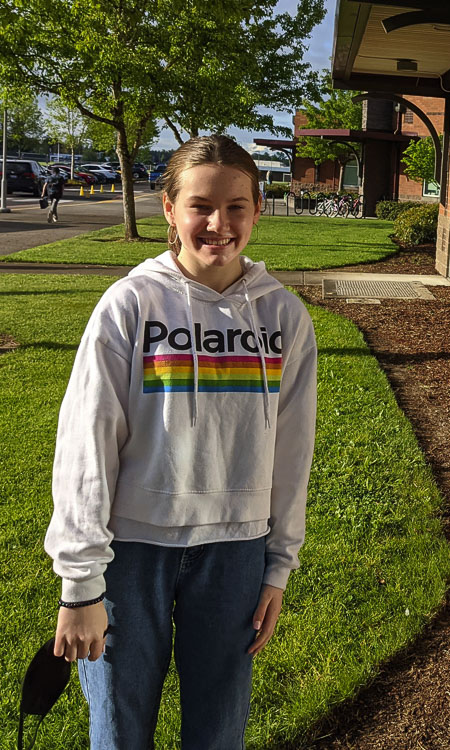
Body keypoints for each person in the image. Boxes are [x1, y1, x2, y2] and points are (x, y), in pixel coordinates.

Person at [45, 135, 317, 749]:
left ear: (257, 209)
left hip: (236, 551)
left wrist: (277, 568)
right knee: (118, 728)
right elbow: (86, 442)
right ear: (169, 208)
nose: (219, 224)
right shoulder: (129, 305)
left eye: (237, 207)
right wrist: (81, 583)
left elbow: (293, 452)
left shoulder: (283, 319)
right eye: (201, 205)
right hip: (130, 553)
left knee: (218, 732)